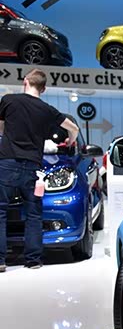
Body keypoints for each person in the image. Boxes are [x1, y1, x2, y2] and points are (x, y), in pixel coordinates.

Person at [0, 70, 78, 272]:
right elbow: (73, 127)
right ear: (43, 89)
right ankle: (33, 260)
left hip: (7, 163)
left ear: (25, 81)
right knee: (34, 214)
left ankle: (1, 261)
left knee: (0, 211)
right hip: (33, 168)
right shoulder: (46, 110)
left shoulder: (9, 101)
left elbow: (1, 126)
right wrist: (71, 139)